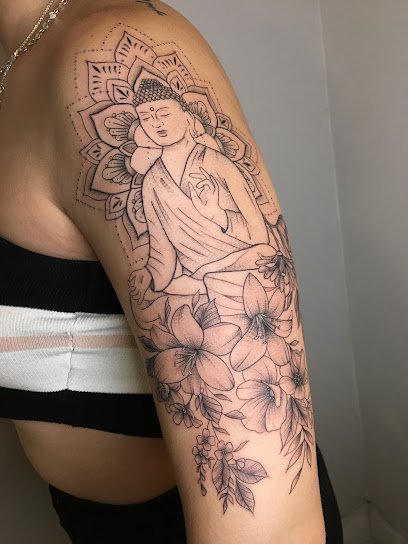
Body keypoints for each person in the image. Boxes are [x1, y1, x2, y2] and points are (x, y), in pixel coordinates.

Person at [0, 1, 343, 542]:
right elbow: (159, 248)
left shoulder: (106, 47)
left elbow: (271, 525)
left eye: (164, 113)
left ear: (187, 115)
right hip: (90, 522)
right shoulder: (23, 66)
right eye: (146, 119)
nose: (154, 124)